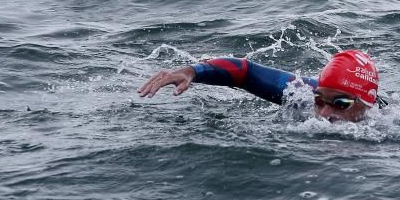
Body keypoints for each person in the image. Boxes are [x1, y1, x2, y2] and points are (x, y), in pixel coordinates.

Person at [137, 49, 383, 123]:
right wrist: (193, 71)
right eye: (319, 101)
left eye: (341, 104)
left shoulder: (393, 127)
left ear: (366, 103)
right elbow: (245, 71)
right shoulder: (302, 95)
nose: (325, 114)